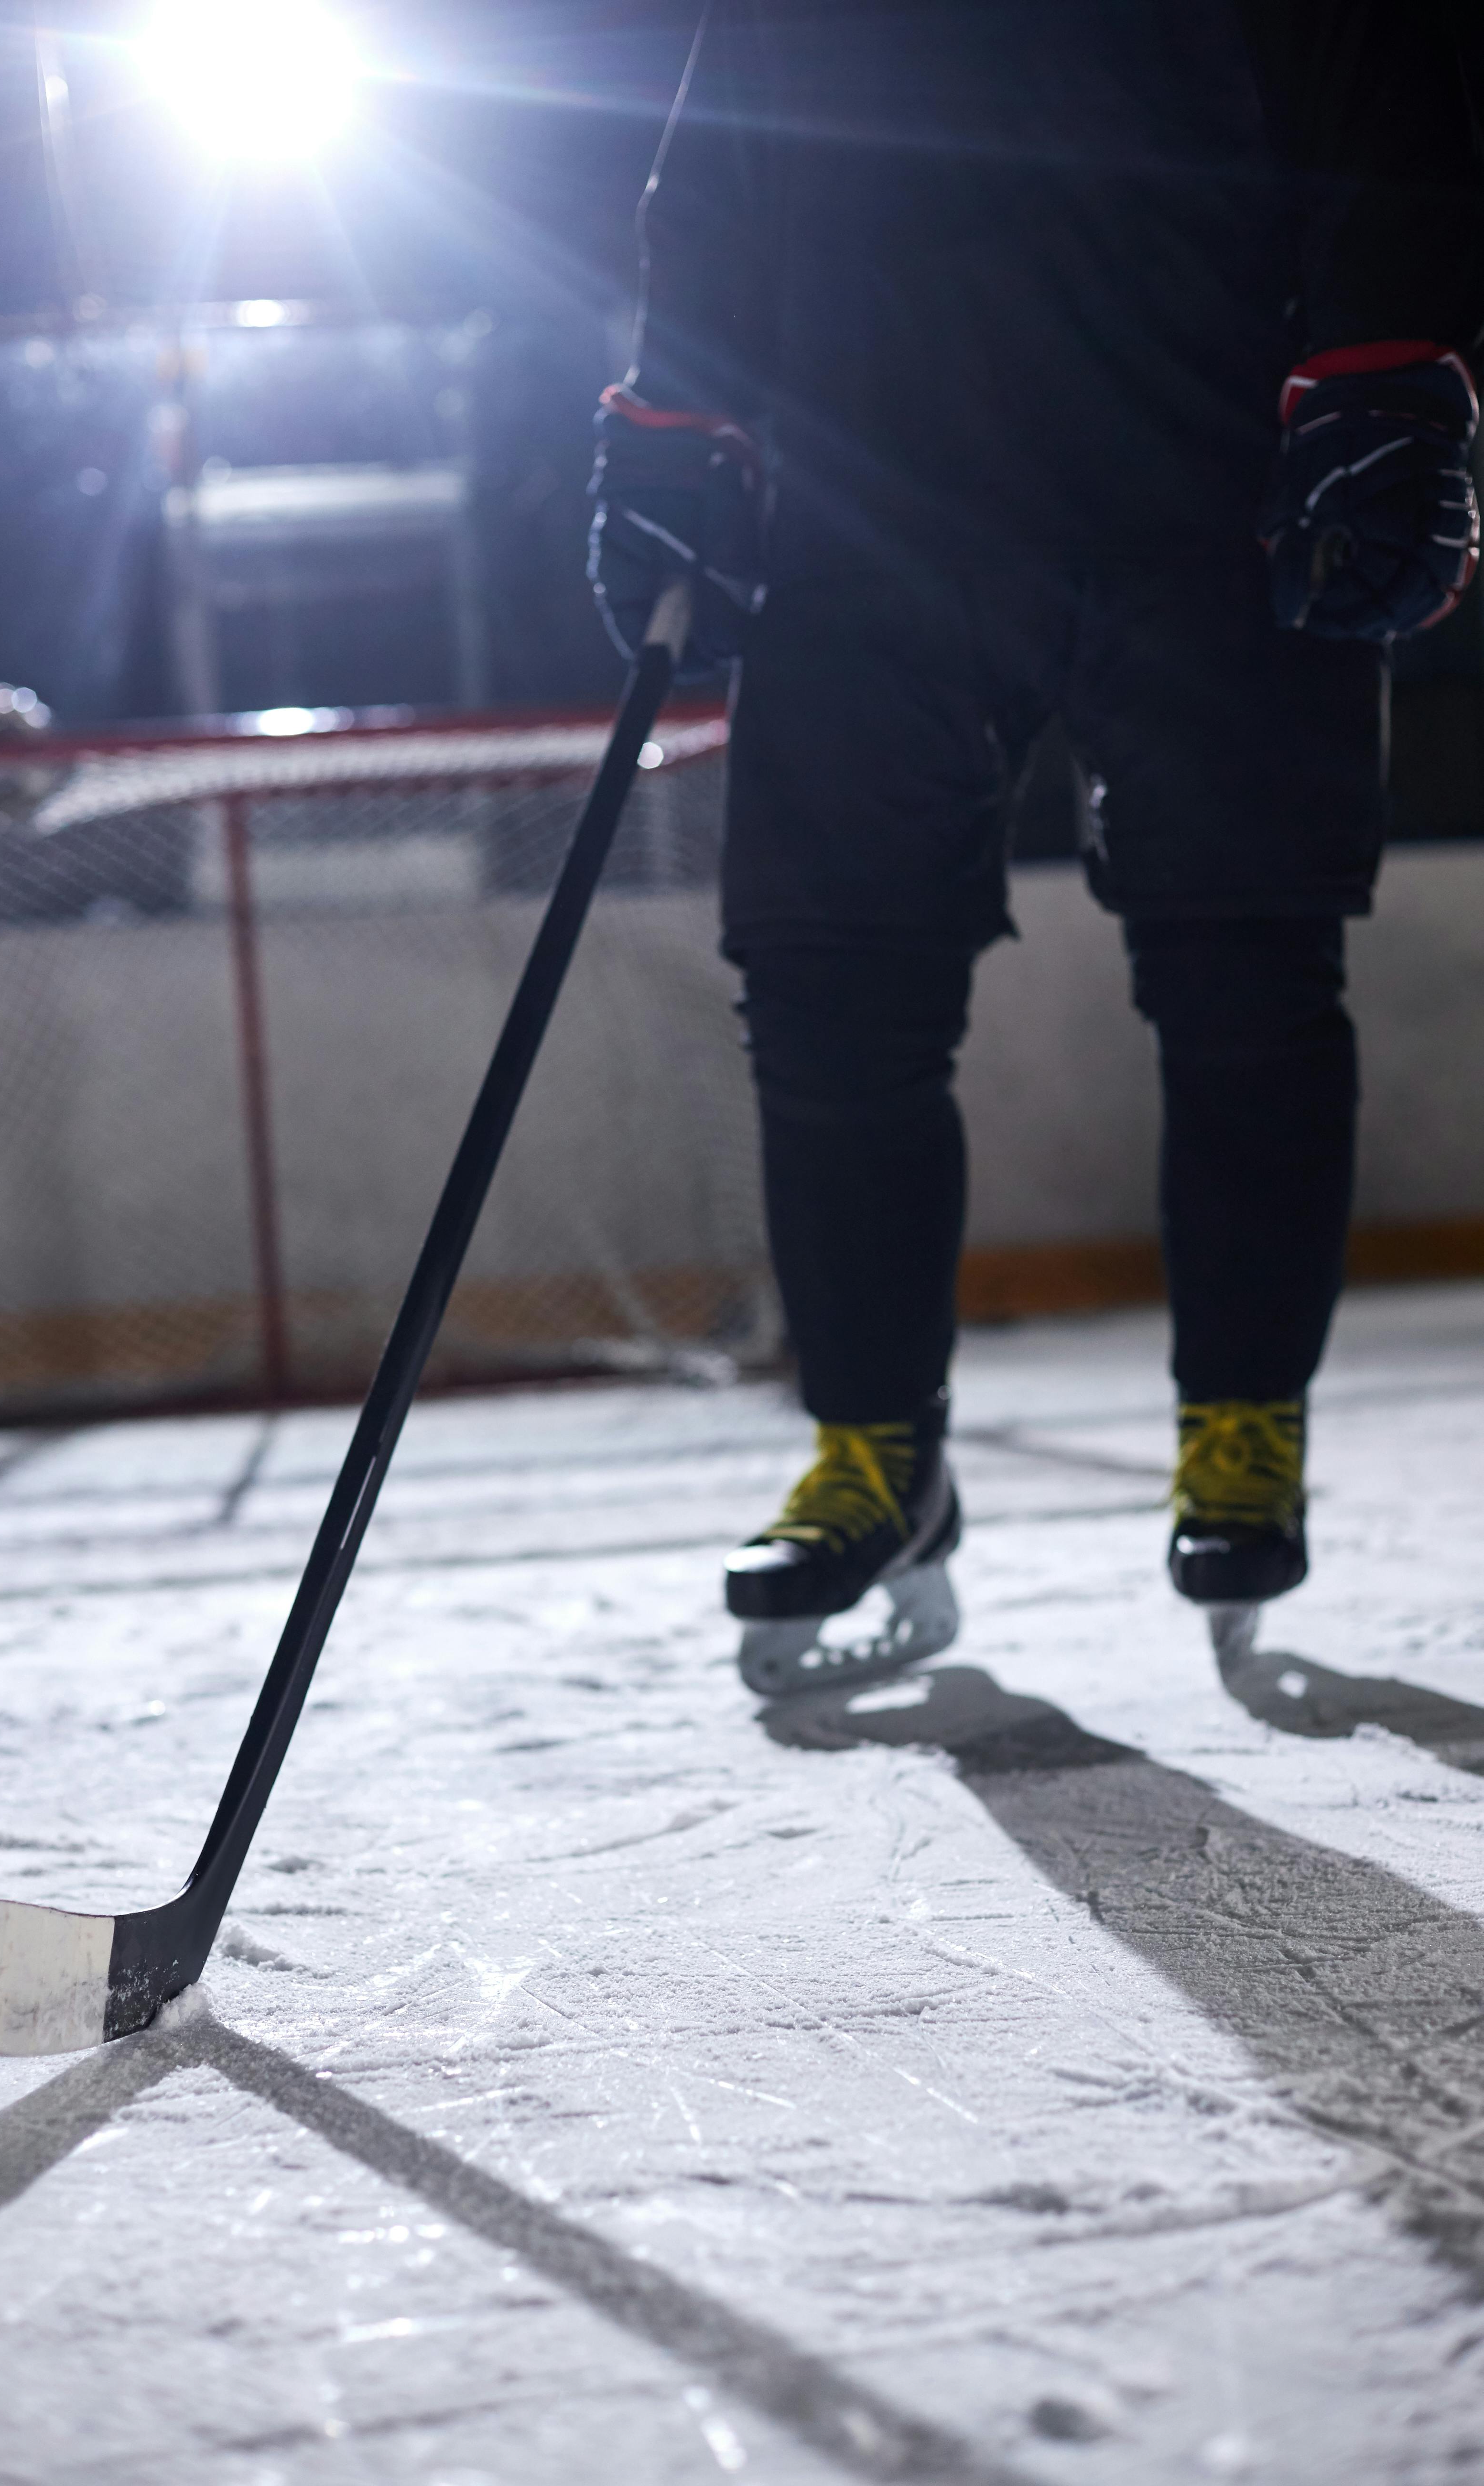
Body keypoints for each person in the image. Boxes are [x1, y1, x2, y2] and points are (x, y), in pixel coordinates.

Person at [589, 1, 1484, 1695]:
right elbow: (717, 159)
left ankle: (1241, 1423)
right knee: (827, 981)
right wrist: (674, 412)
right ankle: (874, 1451)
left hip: (1216, 493)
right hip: (875, 506)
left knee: (1248, 972)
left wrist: (1390, 367)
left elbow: (1391, 106)